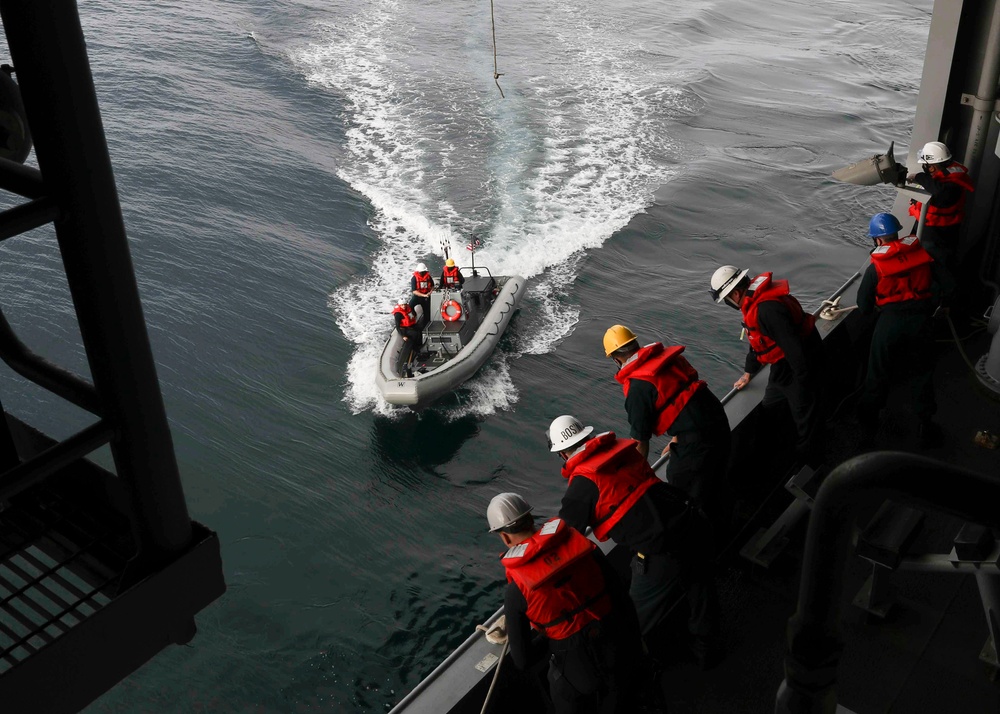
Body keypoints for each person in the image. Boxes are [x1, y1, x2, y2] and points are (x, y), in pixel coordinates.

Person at [547, 416, 721, 668]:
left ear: (563, 454)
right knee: (701, 592)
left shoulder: (582, 486)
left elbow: (563, 541)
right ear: (586, 436)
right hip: (691, 523)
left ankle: (638, 679)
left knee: (632, 620)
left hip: (662, 552)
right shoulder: (622, 449)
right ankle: (708, 653)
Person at [487, 492, 645, 713]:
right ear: (531, 518)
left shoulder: (516, 592)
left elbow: (523, 661)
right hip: (617, 648)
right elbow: (620, 595)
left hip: (576, 671)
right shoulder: (583, 546)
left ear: (504, 537)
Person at [602, 325, 731, 524]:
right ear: (636, 344)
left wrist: (636, 478)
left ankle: (710, 533)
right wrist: (676, 439)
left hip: (698, 440)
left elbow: (640, 441)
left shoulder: (637, 387)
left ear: (616, 359)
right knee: (715, 476)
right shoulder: (668, 359)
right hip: (717, 418)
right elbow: (686, 395)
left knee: (680, 485)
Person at [709, 265, 826, 468]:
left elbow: (795, 351)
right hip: (782, 368)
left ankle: (812, 466)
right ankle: (782, 450)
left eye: (727, 299)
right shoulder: (755, 306)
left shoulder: (767, 310)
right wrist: (748, 373)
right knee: (770, 407)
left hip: (797, 365)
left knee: (805, 417)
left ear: (735, 294)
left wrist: (803, 385)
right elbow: (759, 343)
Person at [855, 212, 951, 445]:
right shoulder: (923, 254)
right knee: (921, 373)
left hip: (890, 324)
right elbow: (946, 284)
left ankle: (867, 427)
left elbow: (863, 305)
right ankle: (924, 424)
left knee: (876, 373)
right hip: (921, 321)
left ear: (877, 240)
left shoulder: (875, 268)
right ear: (897, 233)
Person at [906, 141, 975, 272]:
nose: (925, 170)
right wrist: (916, 201)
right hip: (932, 229)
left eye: (926, 167)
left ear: (932, 167)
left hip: (937, 235)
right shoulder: (942, 178)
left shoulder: (950, 188)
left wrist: (919, 177)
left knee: (938, 266)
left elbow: (940, 194)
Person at [391, 299, 422, 377]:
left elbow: (413, 314)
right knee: (413, 335)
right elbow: (397, 326)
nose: (404, 306)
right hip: (404, 329)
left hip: (410, 326)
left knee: (419, 332)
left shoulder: (408, 308)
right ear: (400, 305)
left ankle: (418, 347)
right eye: (402, 305)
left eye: (405, 304)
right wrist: (403, 336)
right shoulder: (398, 314)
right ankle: (414, 350)